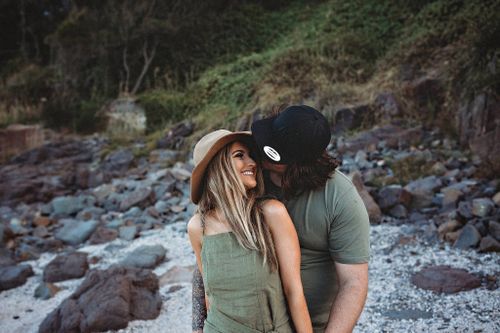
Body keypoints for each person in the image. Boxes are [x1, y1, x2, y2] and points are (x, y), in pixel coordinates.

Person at [192, 106, 370, 333]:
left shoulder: (340, 198)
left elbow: (353, 282)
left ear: (295, 165)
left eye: (270, 152)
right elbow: (210, 250)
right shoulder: (248, 174)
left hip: (311, 324)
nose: (257, 155)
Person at [187, 129, 312, 333]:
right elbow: (210, 295)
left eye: (251, 155)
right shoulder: (197, 227)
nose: (252, 163)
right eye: (239, 156)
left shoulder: (272, 213)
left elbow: (294, 291)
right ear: (218, 167)